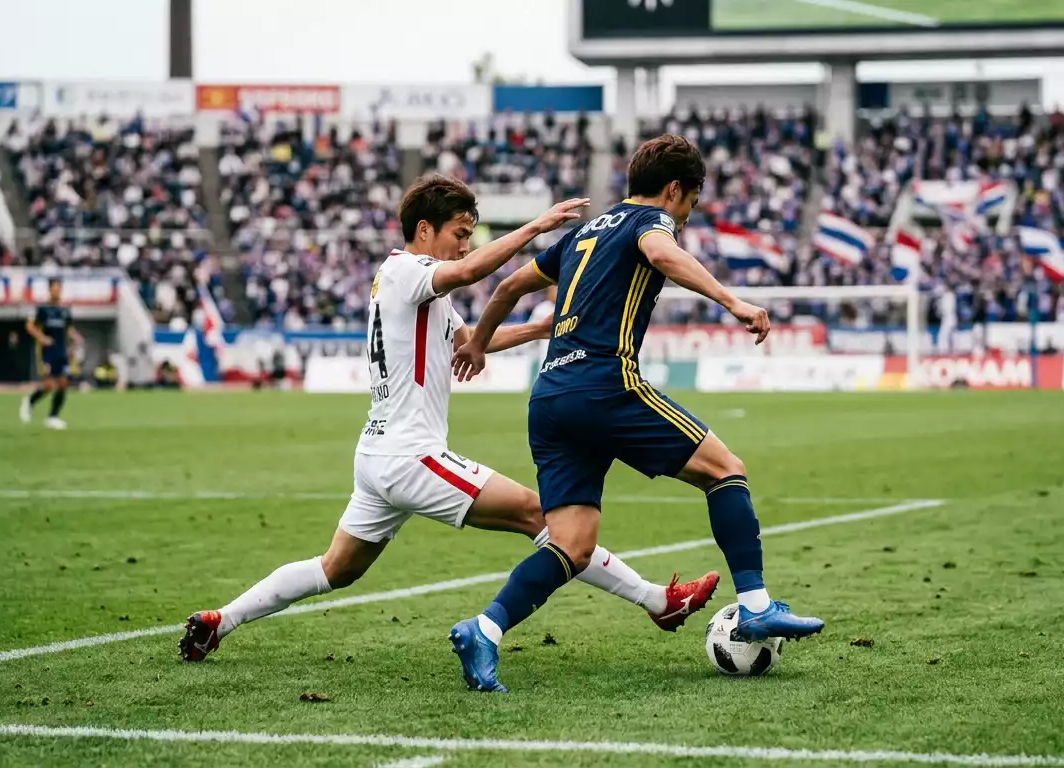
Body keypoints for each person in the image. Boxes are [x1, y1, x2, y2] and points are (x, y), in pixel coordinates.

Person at [178, 175, 719, 663]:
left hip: (379, 456)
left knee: (334, 569)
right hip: (411, 455)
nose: (466, 243)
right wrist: (535, 227)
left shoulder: (417, 287)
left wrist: (540, 329)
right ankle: (657, 601)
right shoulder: (404, 269)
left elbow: (466, 345)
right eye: (460, 232)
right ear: (424, 229)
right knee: (543, 516)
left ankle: (220, 621)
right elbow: (469, 271)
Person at [447, 135, 824, 693]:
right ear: (674, 190)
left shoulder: (583, 232)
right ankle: (756, 605)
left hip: (550, 397)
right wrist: (734, 302)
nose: (687, 215)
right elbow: (662, 254)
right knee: (724, 469)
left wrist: (478, 343)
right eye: (690, 203)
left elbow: (507, 286)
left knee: (571, 544)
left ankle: (485, 629)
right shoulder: (649, 224)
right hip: (606, 383)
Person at [19, 277, 82, 429]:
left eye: (59, 287)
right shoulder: (42, 309)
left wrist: (75, 338)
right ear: (49, 289)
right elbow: (29, 326)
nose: (56, 290)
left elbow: (68, 329)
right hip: (46, 351)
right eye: (54, 287)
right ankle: (29, 402)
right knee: (48, 385)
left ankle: (52, 417)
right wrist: (42, 338)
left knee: (63, 384)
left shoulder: (65, 310)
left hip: (61, 350)